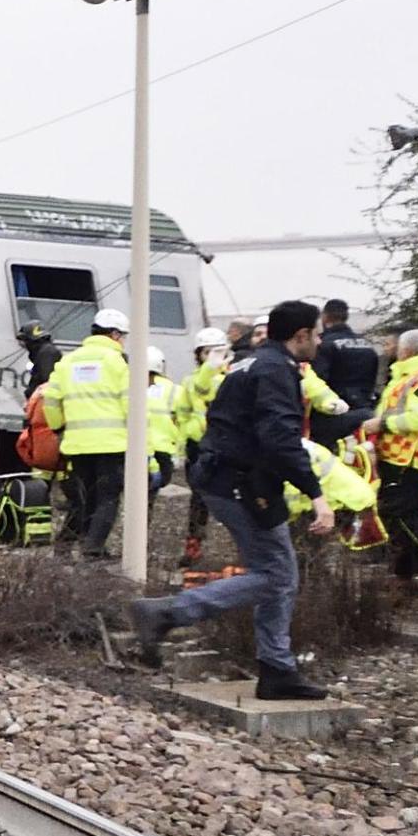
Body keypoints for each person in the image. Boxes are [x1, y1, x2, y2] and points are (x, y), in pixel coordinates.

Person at [128, 299, 333, 701]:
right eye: (319, 334)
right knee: (276, 574)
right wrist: (316, 495)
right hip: (243, 482)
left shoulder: (249, 364)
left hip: (227, 476)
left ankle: (277, 669)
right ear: (302, 335)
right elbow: (280, 440)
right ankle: (168, 612)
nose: (322, 342)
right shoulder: (276, 371)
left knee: (278, 573)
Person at [365, 327, 418, 589]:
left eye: (398, 346)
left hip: (411, 459)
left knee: (401, 514)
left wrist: (382, 424)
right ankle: (404, 570)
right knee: (401, 514)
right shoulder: (409, 376)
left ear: (408, 350)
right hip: (398, 456)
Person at [45, 308, 135, 559]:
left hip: (77, 444)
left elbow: (50, 399)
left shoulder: (68, 361)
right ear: (115, 335)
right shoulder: (118, 362)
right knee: (108, 498)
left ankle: (84, 544)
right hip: (111, 444)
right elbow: (131, 403)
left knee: (86, 497)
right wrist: (139, 440)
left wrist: (59, 427)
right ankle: (93, 549)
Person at [177, 325, 231, 569]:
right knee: (199, 498)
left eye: (215, 351)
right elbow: (183, 411)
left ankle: (241, 546)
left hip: (223, 445)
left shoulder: (230, 379)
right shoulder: (191, 381)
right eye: (206, 352)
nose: (210, 357)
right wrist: (186, 438)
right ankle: (194, 544)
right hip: (197, 445)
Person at [311, 300, 383, 441]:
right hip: (366, 411)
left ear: (324, 317)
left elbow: (317, 380)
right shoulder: (367, 345)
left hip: (334, 415)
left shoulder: (324, 344)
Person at [144, 345, 183, 493]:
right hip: (165, 448)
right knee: (155, 486)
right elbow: (182, 420)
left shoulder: (131, 385)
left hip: (136, 448)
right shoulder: (176, 390)